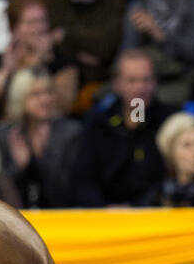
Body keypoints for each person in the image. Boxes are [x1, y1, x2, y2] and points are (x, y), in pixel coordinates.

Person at [67, 51, 169, 207]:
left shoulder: (169, 121)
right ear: (117, 84)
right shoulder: (97, 122)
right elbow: (83, 177)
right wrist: (103, 210)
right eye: (132, 80)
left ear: (155, 82)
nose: (140, 87)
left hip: (153, 214)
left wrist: (136, 208)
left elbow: (171, 179)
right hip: (103, 218)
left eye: (146, 80)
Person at [0, 0, 79, 120]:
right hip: (2, 132)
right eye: (30, 22)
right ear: (13, 28)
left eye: (42, 21)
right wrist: (5, 72)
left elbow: (63, 107)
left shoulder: (63, 64)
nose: (39, 28)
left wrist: (40, 65)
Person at [0, 70, 82, 209]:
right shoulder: (6, 134)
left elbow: (68, 188)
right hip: (19, 216)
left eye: (49, 92)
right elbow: (2, 186)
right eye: (36, 94)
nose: (46, 99)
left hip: (61, 215)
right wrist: (20, 168)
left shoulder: (70, 133)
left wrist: (30, 165)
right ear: (20, 98)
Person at [48, 0, 126, 99]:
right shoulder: (52, 7)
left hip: (101, 85)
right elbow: (49, 50)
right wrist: (82, 52)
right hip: (56, 85)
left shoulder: (116, 6)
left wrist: (65, 36)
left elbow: (105, 47)